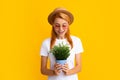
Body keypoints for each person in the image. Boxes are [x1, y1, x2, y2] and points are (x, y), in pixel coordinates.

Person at [40, 7, 84, 80]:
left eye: (64, 25)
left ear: (68, 25)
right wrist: (54, 72)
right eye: (57, 25)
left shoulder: (76, 41)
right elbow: (43, 69)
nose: (61, 29)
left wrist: (68, 71)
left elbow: (79, 67)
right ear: (53, 25)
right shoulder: (46, 43)